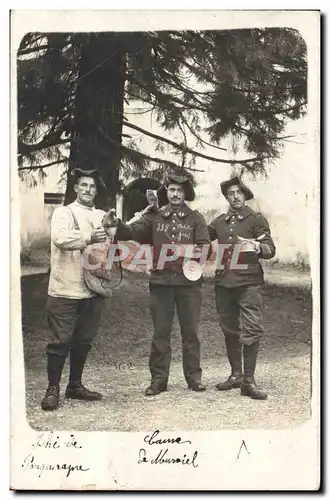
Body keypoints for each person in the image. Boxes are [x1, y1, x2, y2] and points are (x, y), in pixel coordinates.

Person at [107, 174, 211, 396]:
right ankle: (158, 380)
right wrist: (116, 224)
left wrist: (186, 256)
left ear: (186, 194)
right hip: (161, 283)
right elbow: (131, 232)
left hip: (188, 285)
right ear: (167, 192)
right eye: (171, 190)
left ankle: (193, 378)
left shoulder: (196, 218)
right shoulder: (155, 217)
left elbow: (205, 247)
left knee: (190, 332)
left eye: (179, 190)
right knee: (161, 333)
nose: (175, 194)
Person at [41, 168, 110, 411]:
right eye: (83, 185)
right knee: (59, 341)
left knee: (83, 341)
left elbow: (114, 241)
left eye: (92, 186)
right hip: (64, 288)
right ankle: (52, 389)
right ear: (75, 188)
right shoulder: (63, 212)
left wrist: (115, 231)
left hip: (93, 288)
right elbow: (61, 239)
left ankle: (75, 385)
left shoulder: (102, 215)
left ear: (96, 191)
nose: (88, 190)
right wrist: (90, 237)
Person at [208, 176, 276, 400]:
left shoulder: (256, 220)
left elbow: (270, 248)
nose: (235, 197)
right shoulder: (220, 222)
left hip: (249, 284)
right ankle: (236, 374)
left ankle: (248, 380)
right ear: (226, 197)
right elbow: (200, 236)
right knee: (229, 330)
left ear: (245, 195)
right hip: (224, 284)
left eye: (238, 193)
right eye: (230, 194)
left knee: (251, 329)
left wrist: (258, 246)